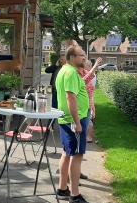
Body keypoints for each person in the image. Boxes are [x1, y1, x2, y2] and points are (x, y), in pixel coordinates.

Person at [55, 46, 90, 203]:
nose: (84, 57)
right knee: (77, 155)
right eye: (81, 55)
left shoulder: (65, 70)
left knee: (67, 153)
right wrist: (77, 123)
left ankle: (63, 189)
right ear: (71, 57)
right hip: (74, 120)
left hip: (67, 119)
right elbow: (71, 98)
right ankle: (74, 195)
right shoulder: (70, 72)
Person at [78, 58, 102, 143]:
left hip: (88, 105)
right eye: (87, 65)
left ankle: (87, 138)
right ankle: (83, 140)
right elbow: (84, 80)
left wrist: (92, 107)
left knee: (86, 124)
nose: (89, 66)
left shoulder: (90, 75)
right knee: (80, 126)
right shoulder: (79, 74)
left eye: (89, 65)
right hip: (80, 105)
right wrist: (95, 66)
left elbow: (91, 93)